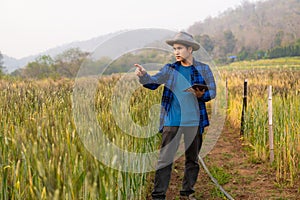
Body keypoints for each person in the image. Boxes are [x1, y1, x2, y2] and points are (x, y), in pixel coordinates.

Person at [135, 31, 216, 200]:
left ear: (190, 49)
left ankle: (187, 193)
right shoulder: (170, 69)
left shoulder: (203, 69)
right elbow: (153, 83)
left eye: (180, 48)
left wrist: (202, 95)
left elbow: (212, 91)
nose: (176, 52)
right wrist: (143, 75)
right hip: (171, 122)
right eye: (174, 49)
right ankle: (158, 195)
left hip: (194, 122)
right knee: (164, 160)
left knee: (192, 160)